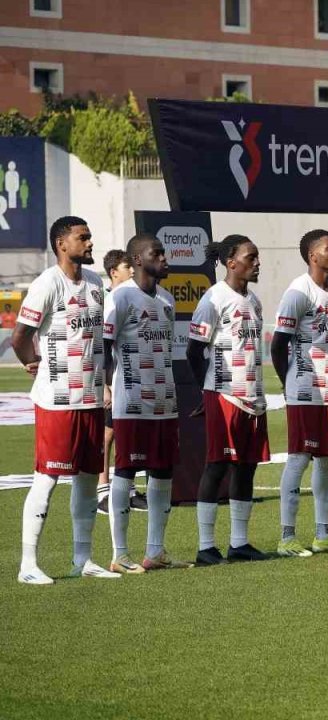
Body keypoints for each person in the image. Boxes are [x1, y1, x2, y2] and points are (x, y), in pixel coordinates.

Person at [14, 217, 113, 584]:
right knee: (47, 478)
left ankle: (83, 559)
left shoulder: (95, 283)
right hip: (56, 400)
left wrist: (103, 383)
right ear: (61, 244)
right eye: (82, 237)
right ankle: (28, 565)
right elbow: (20, 335)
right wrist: (32, 363)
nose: (89, 242)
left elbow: (99, 343)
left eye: (89, 235)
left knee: (88, 478)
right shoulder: (46, 284)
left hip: (88, 397)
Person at [100, 233, 187, 573]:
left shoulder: (166, 299)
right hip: (132, 400)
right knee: (126, 469)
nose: (165, 259)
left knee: (163, 470)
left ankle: (156, 551)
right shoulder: (119, 298)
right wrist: (106, 385)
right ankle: (120, 554)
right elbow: (105, 346)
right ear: (138, 259)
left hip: (165, 400)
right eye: (158, 253)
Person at [187, 235, 271, 565]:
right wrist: (205, 392)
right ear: (231, 262)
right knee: (217, 466)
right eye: (251, 258)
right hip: (224, 396)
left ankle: (239, 544)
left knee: (247, 468)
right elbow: (194, 350)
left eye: (258, 257)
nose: (257, 263)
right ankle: (206, 547)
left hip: (253, 397)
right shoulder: (213, 299)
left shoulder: (255, 301)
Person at [272, 230, 328, 557]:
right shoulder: (297, 292)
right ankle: (287, 537)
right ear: (312, 256)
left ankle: (323, 534)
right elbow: (279, 344)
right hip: (305, 390)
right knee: (299, 459)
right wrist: (288, 380)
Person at [97, 249, 145, 516]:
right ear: (114, 272)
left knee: (129, 431)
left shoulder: (131, 298)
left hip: (131, 377)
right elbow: (103, 345)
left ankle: (128, 489)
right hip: (111, 377)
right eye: (128, 266)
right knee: (108, 432)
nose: (132, 271)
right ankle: (103, 490)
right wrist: (104, 384)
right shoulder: (106, 299)